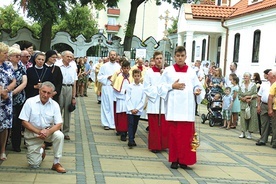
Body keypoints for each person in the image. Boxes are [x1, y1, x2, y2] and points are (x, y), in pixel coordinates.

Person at [159, 46, 205, 169]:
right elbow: (160, 88)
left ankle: (185, 160)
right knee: (174, 136)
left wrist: (198, 90)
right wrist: (171, 86)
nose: (180, 58)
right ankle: (174, 159)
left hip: (187, 110)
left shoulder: (191, 71)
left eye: (182, 56)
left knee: (186, 137)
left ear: (185, 57)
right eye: (178, 56)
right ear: (174, 57)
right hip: (174, 110)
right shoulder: (168, 71)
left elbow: (197, 85)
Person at [19, 82, 66, 173]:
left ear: (52, 94)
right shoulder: (30, 102)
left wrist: (48, 132)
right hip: (33, 133)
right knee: (34, 164)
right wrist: (38, 132)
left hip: (48, 132)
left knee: (59, 135)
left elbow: (59, 124)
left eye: (49, 93)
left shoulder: (55, 105)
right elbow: (24, 121)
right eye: (43, 91)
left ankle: (56, 162)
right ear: (39, 91)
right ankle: (41, 150)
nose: (45, 95)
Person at [143, 51, 168, 153]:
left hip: (163, 102)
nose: (159, 60)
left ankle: (163, 144)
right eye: (157, 58)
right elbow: (146, 87)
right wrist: (157, 90)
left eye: (161, 58)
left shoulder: (166, 72)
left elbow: (169, 85)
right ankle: (155, 145)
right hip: (154, 102)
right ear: (154, 59)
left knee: (164, 126)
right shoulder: (149, 72)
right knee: (154, 127)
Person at [8, 47, 27, 152]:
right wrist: (9, 92)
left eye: (20, 56)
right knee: (7, 122)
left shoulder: (21, 66)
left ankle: (16, 145)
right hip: (6, 98)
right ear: (10, 57)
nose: (19, 58)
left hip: (19, 98)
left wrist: (14, 92)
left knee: (17, 123)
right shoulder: (5, 66)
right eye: (16, 56)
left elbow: (24, 82)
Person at [0, 42, 16, 161]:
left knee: (5, 126)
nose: (7, 55)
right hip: (2, 96)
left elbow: (14, 81)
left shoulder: (8, 65)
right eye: (5, 53)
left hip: (6, 102)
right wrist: (2, 92)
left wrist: (7, 90)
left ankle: (3, 150)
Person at [56, 51, 77, 140]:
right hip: (60, 87)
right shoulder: (58, 66)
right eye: (67, 56)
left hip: (69, 88)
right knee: (58, 109)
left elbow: (74, 83)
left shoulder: (73, 68)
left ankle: (66, 131)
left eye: (71, 57)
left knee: (68, 111)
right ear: (63, 57)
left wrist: (73, 96)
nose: (69, 58)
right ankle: (57, 130)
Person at [97, 51, 121, 130]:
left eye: (114, 55)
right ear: (109, 56)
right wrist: (107, 77)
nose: (113, 56)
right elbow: (99, 77)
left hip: (115, 88)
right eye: (111, 55)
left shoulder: (118, 67)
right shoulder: (104, 66)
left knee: (113, 106)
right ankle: (105, 123)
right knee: (106, 106)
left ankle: (113, 123)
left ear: (116, 56)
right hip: (106, 87)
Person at [111, 59, 132, 141]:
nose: (126, 69)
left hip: (129, 100)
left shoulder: (132, 77)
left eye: (127, 68)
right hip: (121, 99)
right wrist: (123, 92)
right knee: (121, 116)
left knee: (127, 117)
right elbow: (116, 89)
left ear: (129, 68)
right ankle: (122, 132)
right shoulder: (119, 77)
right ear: (122, 68)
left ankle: (126, 131)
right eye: (124, 68)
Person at [126, 69, 145, 147]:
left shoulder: (143, 87)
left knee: (135, 124)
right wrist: (131, 108)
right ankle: (130, 140)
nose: (137, 77)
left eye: (138, 76)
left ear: (140, 76)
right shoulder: (130, 86)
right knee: (130, 123)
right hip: (130, 109)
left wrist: (137, 109)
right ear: (133, 76)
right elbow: (127, 98)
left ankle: (132, 137)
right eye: (135, 76)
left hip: (138, 109)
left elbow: (143, 99)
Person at [238, 72, 258, 139]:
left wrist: (248, 97)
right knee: (243, 118)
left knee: (251, 118)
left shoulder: (253, 85)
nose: (245, 77)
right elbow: (239, 95)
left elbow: (256, 94)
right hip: (243, 104)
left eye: (246, 76)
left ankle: (249, 133)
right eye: (244, 76)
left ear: (250, 77)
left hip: (251, 104)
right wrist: (243, 98)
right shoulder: (241, 85)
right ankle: (242, 132)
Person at [256, 69, 272, 146]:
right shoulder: (264, 84)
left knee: (274, 124)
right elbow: (259, 96)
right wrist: (258, 106)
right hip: (264, 104)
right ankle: (263, 139)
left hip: (273, 106)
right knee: (264, 123)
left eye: (269, 75)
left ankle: (274, 141)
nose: (267, 76)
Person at [267, 70, 276, 148]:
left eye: (269, 75)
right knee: (274, 126)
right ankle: (275, 142)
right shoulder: (274, 85)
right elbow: (270, 97)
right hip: (275, 109)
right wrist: (270, 109)